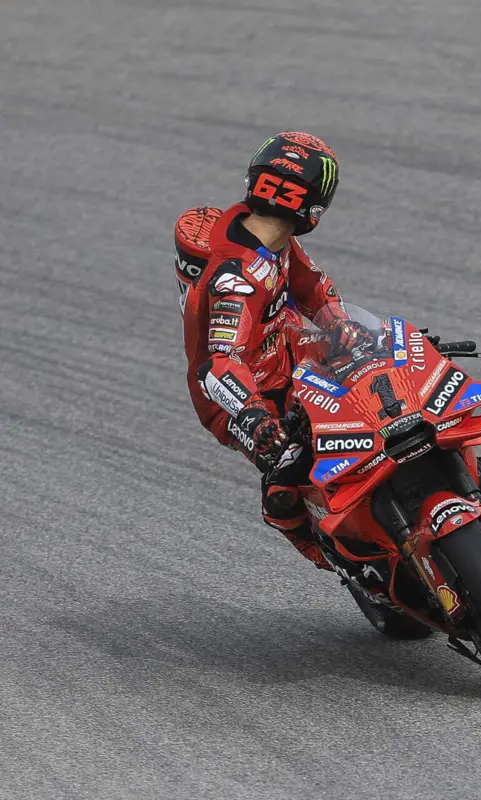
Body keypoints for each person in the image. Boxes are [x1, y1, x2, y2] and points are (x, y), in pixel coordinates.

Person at [174, 131, 371, 570]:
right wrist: (252, 415)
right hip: (240, 397)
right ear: (315, 202)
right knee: (289, 471)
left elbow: (313, 287)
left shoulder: (269, 233)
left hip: (289, 355)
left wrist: (342, 325)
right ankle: (326, 553)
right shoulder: (237, 278)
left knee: (382, 385)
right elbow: (218, 364)